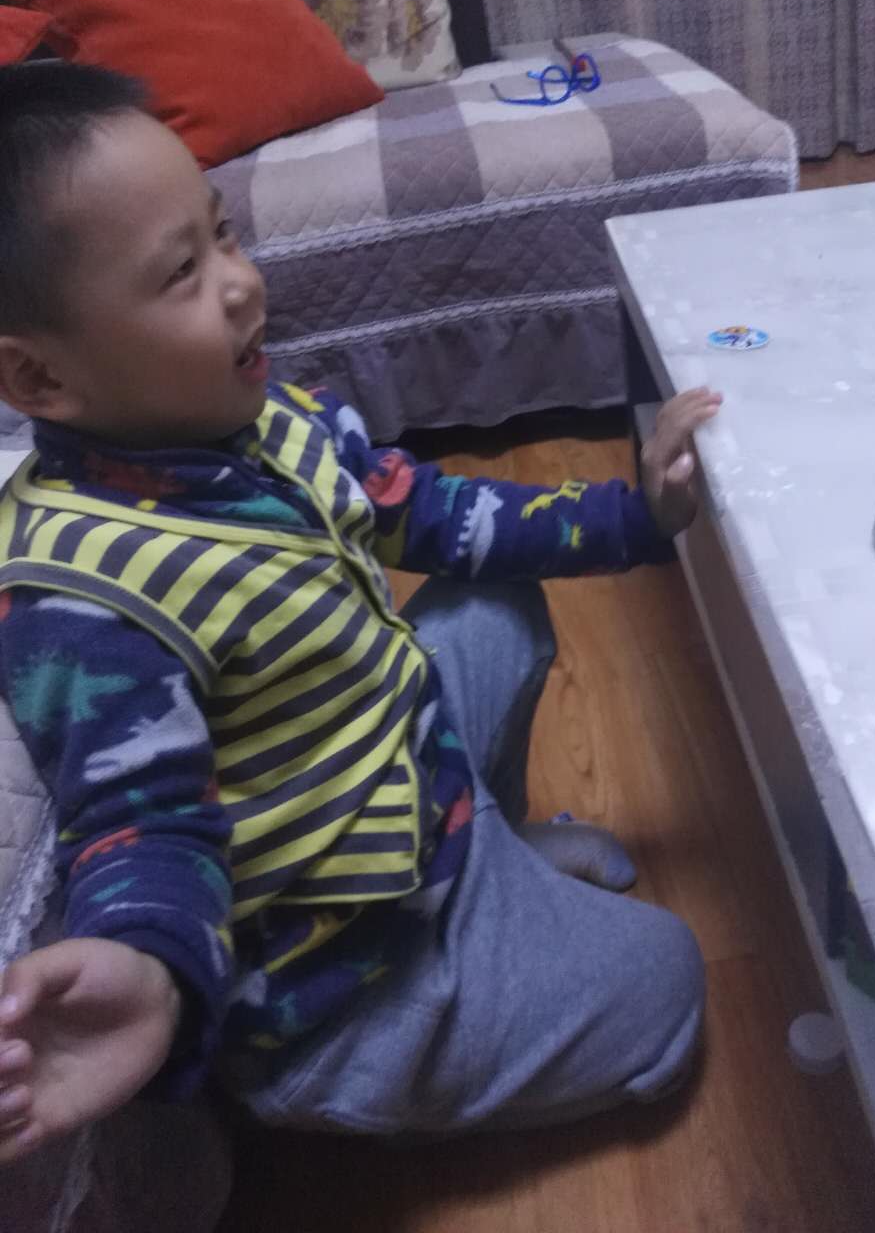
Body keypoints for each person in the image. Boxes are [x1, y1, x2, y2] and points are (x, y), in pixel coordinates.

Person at [0, 63, 722, 1163]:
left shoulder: (261, 416)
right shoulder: (82, 598)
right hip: (343, 981)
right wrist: (147, 962)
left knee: (492, 601)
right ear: (40, 379)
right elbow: (141, 823)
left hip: (399, 793)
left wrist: (640, 514)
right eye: (182, 274)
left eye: (222, 234)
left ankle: (491, 847)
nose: (241, 285)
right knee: (670, 979)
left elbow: (435, 512)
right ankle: (370, 1072)